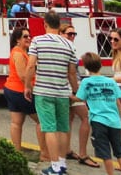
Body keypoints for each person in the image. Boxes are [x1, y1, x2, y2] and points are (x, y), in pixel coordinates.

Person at [24, 10, 78, 175]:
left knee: (49, 129)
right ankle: (62, 163)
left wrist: (27, 86)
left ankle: (55, 167)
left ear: (45, 24)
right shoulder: (69, 44)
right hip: (62, 91)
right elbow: (71, 72)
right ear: (58, 24)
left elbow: (31, 65)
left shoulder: (38, 41)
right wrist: (75, 90)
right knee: (63, 128)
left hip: (43, 91)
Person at [74, 52, 121, 175]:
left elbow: (80, 98)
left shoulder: (86, 83)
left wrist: (70, 97)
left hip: (98, 121)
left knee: (105, 152)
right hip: (114, 121)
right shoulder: (111, 82)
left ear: (86, 67)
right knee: (119, 150)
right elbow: (118, 103)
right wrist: (120, 120)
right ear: (100, 64)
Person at [3, 27, 48, 160]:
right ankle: (44, 154)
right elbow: (23, 76)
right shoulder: (18, 53)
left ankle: (17, 152)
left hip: (12, 90)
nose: (29, 38)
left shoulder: (20, 52)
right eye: (25, 36)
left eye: (29, 36)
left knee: (16, 122)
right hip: (21, 91)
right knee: (41, 121)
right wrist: (34, 89)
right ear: (18, 39)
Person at [59, 23, 99, 167]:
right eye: (69, 34)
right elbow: (71, 73)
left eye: (73, 34)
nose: (72, 37)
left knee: (69, 119)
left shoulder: (64, 48)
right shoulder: (68, 49)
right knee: (85, 117)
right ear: (61, 34)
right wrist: (77, 91)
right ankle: (83, 154)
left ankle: (67, 150)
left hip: (66, 88)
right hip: (71, 87)